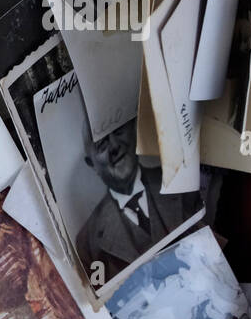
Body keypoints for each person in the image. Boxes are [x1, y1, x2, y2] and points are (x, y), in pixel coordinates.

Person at [74, 120, 202, 284]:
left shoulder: (182, 181)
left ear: (134, 131)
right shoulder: (87, 244)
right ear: (92, 164)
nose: (114, 146)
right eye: (101, 144)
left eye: (119, 131)